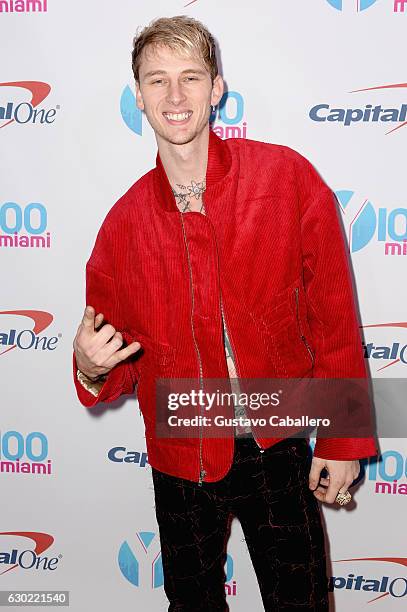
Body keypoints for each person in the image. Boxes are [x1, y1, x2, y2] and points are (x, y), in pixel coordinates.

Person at [72, 15, 377, 611]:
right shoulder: (124, 224)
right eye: (157, 81)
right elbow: (114, 364)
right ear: (137, 97)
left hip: (277, 440)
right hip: (181, 452)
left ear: (217, 89)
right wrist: (89, 367)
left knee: (303, 602)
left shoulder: (286, 179)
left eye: (191, 77)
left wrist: (342, 439)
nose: (175, 96)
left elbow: (335, 318)